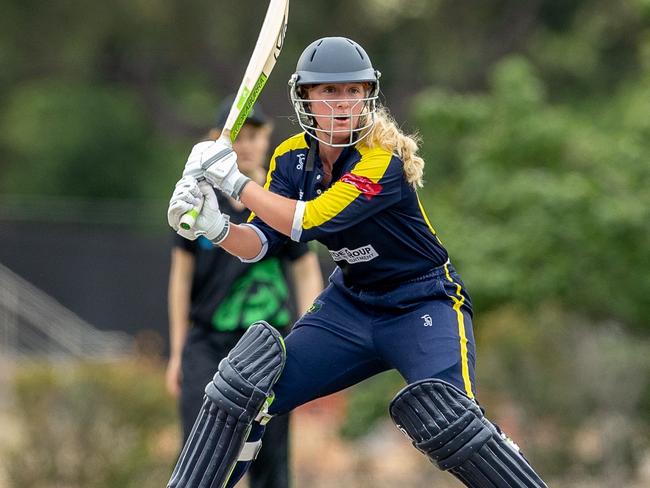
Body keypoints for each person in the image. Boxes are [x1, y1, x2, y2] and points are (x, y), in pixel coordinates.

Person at [167, 37, 548, 488]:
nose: (343, 102)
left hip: (423, 302)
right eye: (329, 91)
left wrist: (232, 180)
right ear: (305, 97)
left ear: (368, 94)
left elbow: (306, 220)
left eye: (353, 90)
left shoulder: (379, 162)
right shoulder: (290, 159)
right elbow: (261, 244)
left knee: (456, 424)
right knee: (246, 392)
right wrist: (215, 227)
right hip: (351, 305)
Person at [166, 97, 323, 488]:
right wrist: (177, 353)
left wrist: (310, 344)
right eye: (237, 136)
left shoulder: (279, 197)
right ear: (215, 141)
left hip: (268, 346)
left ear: (266, 140)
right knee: (200, 460)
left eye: (255, 135)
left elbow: (307, 275)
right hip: (208, 343)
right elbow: (180, 280)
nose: (246, 145)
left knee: (269, 462)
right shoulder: (198, 198)